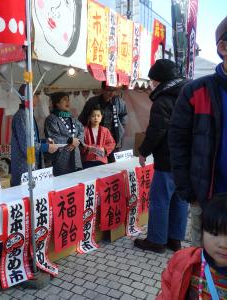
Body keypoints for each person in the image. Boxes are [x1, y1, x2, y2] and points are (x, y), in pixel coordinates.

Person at [169, 17, 227, 247]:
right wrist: (188, 191)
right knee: (202, 265)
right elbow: (177, 141)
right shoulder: (195, 92)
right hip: (206, 198)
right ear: (223, 47)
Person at [134, 59, 189, 253]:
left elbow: (157, 130)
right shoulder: (189, 93)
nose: (151, 84)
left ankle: (156, 241)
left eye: (153, 80)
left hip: (167, 159)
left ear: (161, 80)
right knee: (180, 200)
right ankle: (175, 240)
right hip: (187, 159)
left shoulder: (163, 100)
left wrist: (143, 151)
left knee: (160, 200)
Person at [157, 193, 227, 299]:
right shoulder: (182, 261)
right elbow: (167, 292)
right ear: (202, 231)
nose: (223, 245)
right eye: (214, 233)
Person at [10, 84, 58, 186]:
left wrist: (45, 142)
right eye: (35, 95)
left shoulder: (28, 114)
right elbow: (26, 146)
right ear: (28, 97)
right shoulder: (22, 116)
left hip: (31, 165)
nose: (38, 98)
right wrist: (46, 147)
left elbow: (32, 140)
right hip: (23, 167)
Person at [79, 81, 128, 162]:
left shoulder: (119, 101)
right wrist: (83, 134)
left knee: (112, 164)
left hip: (113, 138)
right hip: (94, 138)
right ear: (102, 90)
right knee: (95, 162)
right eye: (109, 90)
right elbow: (83, 118)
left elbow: (124, 115)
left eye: (114, 90)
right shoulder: (92, 101)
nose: (111, 93)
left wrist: (121, 128)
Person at [45, 92, 84, 176]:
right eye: (64, 100)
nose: (68, 102)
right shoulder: (51, 119)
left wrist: (75, 143)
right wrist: (70, 140)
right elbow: (52, 137)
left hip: (75, 157)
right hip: (60, 158)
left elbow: (81, 130)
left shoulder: (72, 118)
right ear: (57, 103)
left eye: (68, 100)